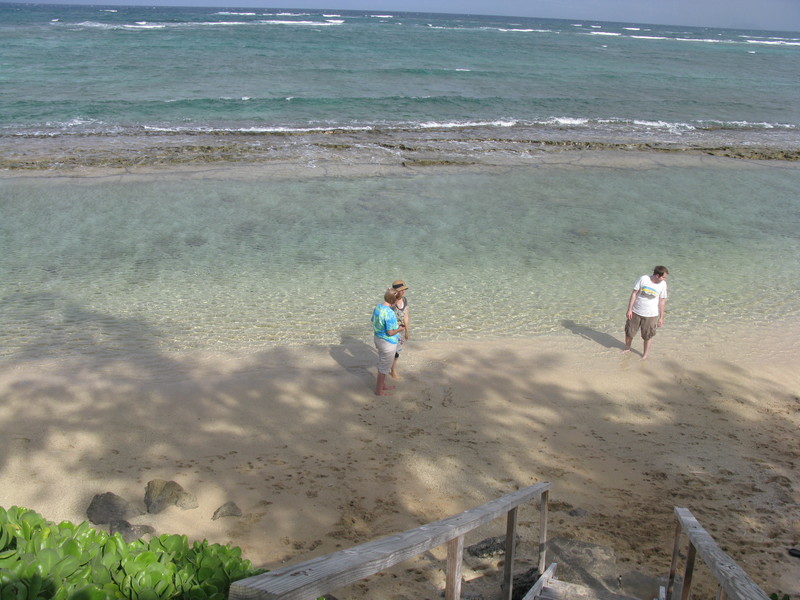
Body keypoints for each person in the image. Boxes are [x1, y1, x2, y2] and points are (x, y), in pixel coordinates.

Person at [624, 266, 669, 360]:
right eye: (663, 277)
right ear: (657, 275)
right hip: (636, 311)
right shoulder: (643, 279)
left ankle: (645, 355)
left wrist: (661, 317)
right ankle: (627, 349)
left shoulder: (663, 284)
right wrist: (629, 309)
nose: (665, 279)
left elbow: (662, 301)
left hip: (651, 315)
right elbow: (634, 294)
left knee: (647, 336)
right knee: (629, 332)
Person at [372, 288, 405, 396]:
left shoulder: (378, 307)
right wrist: (400, 329)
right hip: (388, 342)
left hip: (378, 339)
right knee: (384, 367)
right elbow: (390, 332)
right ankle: (378, 390)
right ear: (393, 301)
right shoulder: (389, 313)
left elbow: (373, 320)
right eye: (396, 301)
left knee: (383, 363)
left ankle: (382, 385)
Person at [389, 280, 409, 380]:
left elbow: (406, 316)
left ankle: (393, 369)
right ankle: (392, 370)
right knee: (392, 352)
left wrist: (407, 331)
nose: (403, 291)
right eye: (401, 290)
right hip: (392, 331)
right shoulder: (392, 301)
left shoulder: (405, 300)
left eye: (404, 289)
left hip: (400, 330)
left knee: (397, 352)